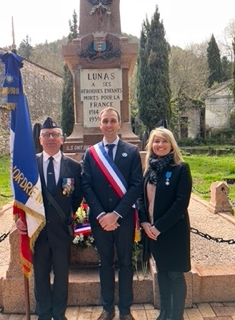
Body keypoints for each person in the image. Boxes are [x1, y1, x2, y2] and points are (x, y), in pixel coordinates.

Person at [16, 117, 82, 320]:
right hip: (38, 232)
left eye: (54, 134)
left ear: (62, 139)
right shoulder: (29, 165)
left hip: (61, 232)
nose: (51, 138)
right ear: (40, 139)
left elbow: (76, 197)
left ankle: (59, 314)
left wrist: (65, 216)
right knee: (41, 278)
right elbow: (20, 194)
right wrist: (19, 218)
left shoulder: (73, 166)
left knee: (62, 278)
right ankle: (44, 314)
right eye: (46, 135)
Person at [82, 107, 143, 320]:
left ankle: (125, 310)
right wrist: (101, 215)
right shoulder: (91, 154)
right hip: (100, 221)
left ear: (119, 124)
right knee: (105, 264)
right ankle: (107, 308)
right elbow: (86, 186)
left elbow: (136, 186)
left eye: (112, 120)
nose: (108, 124)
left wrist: (116, 214)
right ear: (99, 124)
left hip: (123, 220)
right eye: (105, 121)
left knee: (126, 264)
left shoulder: (132, 151)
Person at [138, 127, 192, 320]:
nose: (159, 145)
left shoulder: (181, 169)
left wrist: (159, 227)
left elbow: (181, 203)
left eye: (164, 141)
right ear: (151, 145)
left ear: (171, 145)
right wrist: (144, 222)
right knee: (162, 272)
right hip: (152, 231)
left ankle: (176, 315)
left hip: (173, 231)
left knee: (176, 274)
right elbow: (141, 199)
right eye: (156, 141)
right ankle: (164, 312)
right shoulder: (149, 170)